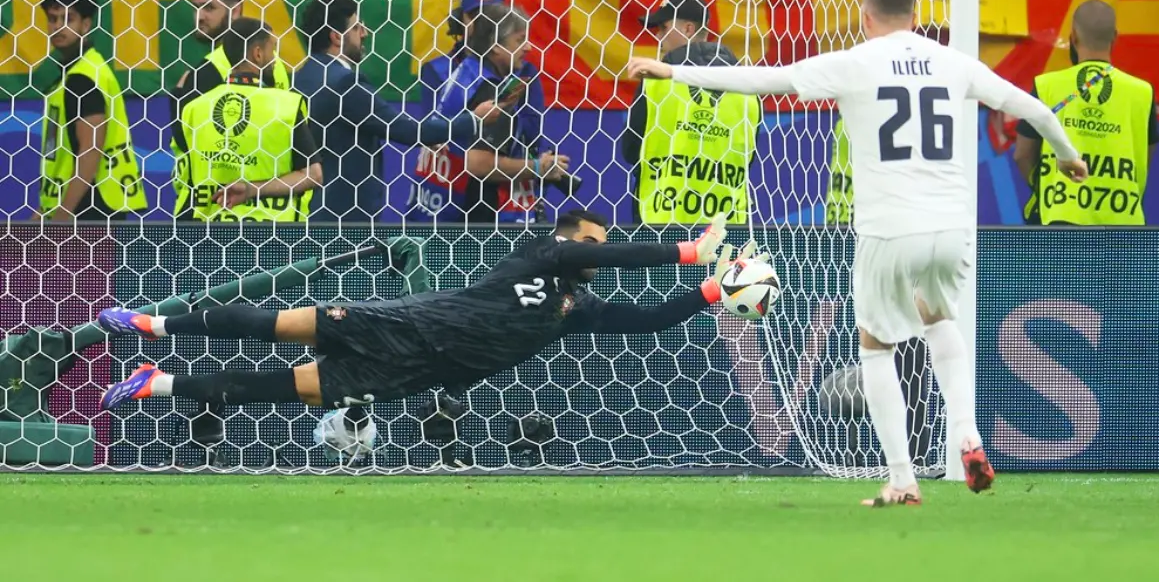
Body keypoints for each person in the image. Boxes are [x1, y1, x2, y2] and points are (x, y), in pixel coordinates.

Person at [627, 0, 1090, 506]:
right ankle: (967, 434)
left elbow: (766, 79)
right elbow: (1030, 108)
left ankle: (901, 478)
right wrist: (1066, 154)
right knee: (939, 318)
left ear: (866, 18)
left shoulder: (854, 62)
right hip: (952, 225)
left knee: (875, 348)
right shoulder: (953, 62)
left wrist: (670, 68)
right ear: (915, 15)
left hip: (889, 228)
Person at [97, 211, 753, 414]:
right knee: (270, 323)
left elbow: (646, 321)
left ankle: (156, 382)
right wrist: (688, 249)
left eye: (598, 244)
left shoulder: (571, 310)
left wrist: (712, 290)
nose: (597, 251)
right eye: (591, 241)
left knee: (272, 390)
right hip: (402, 323)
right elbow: (617, 257)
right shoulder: (536, 258)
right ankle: (151, 323)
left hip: (407, 371)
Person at [293, 0, 496, 222]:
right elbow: (409, 131)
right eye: (357, 27)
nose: (364, 33)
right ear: (336, 37)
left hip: (306, 212)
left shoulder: (300, 77)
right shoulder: (345, 82)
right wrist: (474, 119)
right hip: (344, 216)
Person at [407, 3, 569, 223]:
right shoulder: (492, 89)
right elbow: (478, 163)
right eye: (520, 40)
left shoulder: (464, 73)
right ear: (495, 46)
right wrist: (538, 168)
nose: (529, 47)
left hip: (440, 207)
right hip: (479, 216)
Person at [620, 0, 762, 225]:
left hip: (661, 220)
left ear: (687, 29)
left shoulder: (656, 82)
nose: (659, 37)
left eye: (663, 28)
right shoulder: (746, 88)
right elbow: (748, 156)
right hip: (727, 223)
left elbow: (631, 150)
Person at [1013, 0, 1158, 226]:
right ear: (1115, 37)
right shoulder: (1142, 93)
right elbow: (1143, 160)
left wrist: (1046, 188)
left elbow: (1022, 154)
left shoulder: (1046, 86)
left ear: (1073, 37)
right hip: (1123, 224)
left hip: (1059, 222)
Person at [173, 18, 322, 222]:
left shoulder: (194, 108)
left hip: (206, 233)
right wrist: (252, 189)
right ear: (258, 53)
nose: (275, 59)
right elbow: (312, 175)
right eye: (273, 49)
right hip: (273, 238)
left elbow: (184, 175)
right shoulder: (287, 106)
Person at [36, 0, 147, 222]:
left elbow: (90, 150)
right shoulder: (84, 70)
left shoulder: (83, 79)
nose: (58, 27)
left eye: (68, 19)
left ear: (85, 25)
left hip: (90, 208)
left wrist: (62, 216)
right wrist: (47, 210)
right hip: (83, 205)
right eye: (53, 19)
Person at [417, 0, 507, 117]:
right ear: (458, 21)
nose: (483, 23)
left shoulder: (522, 71)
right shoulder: (437, 70)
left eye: (491, 16)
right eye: (474, 16)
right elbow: (432, 129)